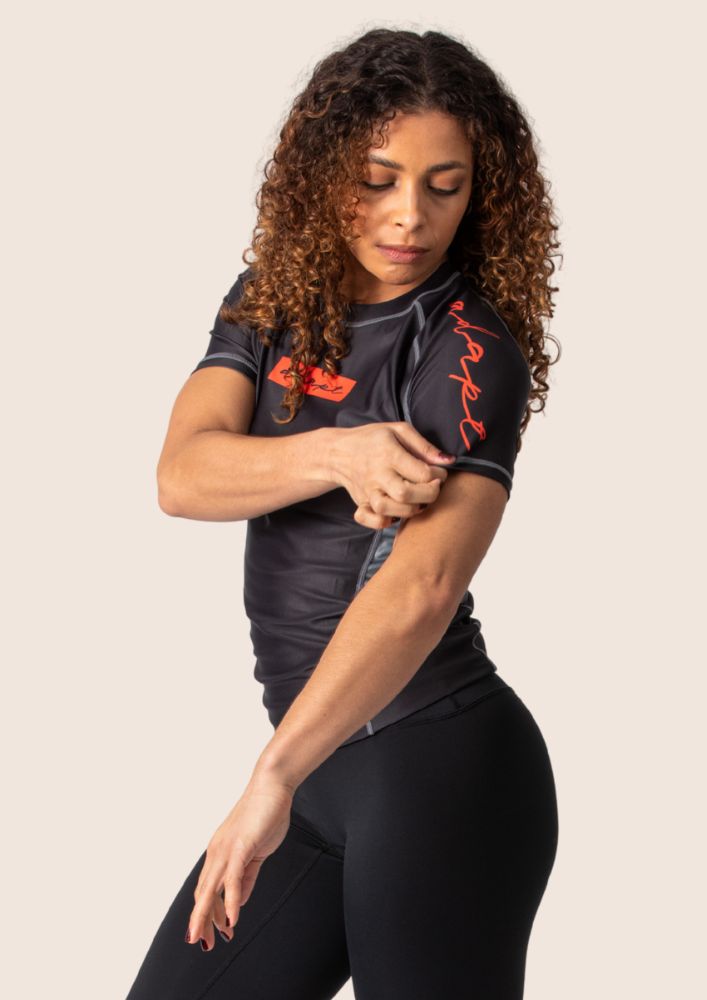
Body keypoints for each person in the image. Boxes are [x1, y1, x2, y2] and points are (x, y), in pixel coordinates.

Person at [126, 26, 561, 1000]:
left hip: (438, 773)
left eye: (443, 186)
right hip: (318, 770)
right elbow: (182, 476)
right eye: (377, 179)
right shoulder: (273, 299)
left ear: (478, 194)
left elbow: (421, 587)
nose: (410, 215)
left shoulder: (466, 351)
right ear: (325, 173)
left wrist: (271, 776)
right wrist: (337, 451)